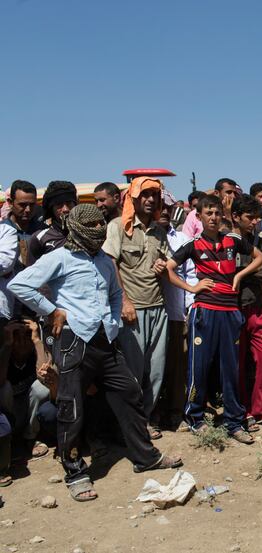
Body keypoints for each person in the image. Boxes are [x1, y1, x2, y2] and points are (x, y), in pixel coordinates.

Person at [9, 204, 182, 501]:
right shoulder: (60, 258)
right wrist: (53, 312)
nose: (99, 230)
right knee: (71, 407)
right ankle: (75, 471)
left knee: (129, 392)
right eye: (91, 226)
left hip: (105, 340)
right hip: (74, 341)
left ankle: (145, 456)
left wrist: (113, 323)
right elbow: (19, 284)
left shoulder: (103, 260)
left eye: (101, 224)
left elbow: (115, 293)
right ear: (76, 229)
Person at [165, 194, 262, 444]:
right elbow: (169, 268)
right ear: (198, 217)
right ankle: (195, 418)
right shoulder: (193, 244)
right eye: (207, 213)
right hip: (205, 310)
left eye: (217, 213)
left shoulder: (233, 240)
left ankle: (234, 421)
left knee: (230, 370)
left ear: (222, 216)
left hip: (230, 312)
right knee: (199, 366)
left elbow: (261, 258)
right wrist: (191, 288)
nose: (213, 217)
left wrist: (240, 275)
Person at [103, 177, 169, 435]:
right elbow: (111, 264)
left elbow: (167, 264)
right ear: (134, 198)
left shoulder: (159, 231)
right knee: (132, 371)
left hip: (158, 306)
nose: (151, 199)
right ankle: (130, 424)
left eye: (155, 194)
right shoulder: (118, 226)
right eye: (145, 194)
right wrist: (124, 301)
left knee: (156, 369)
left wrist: (163, 266)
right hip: (132, 310)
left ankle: (146, 419)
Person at [232, 194, 262, 430]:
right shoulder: (225, 240)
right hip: (233, 309)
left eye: (257, 218)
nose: (254, 222)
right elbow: (222, 273)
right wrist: (253, 270)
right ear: (235, 217)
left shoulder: (259, 241)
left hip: (256, 306)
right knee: (237, 364)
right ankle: (242, 411)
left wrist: (242, 272)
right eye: (249, 218)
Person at [156, 190, 194, 430]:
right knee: (152, 367)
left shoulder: (181, 240)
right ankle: (152, 414)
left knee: (177, 366)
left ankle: (175, 412)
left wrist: (190, 306)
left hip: (176, 312)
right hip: (148, 311)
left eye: (168, 207)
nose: (165, 211)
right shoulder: (142, 236)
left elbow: (191, 274)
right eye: (161, 206)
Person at [0, 319, 51, 459]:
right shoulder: (5, 353)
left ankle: (31, 438)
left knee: (41, 388)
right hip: (11, 412)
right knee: (5, 389)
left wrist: (36, 341)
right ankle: (8, 440)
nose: (22, 342)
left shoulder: (37, 351)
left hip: (31, 413)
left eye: (26, 336)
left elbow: (45, 378)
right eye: (17, 337)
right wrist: (7, 344)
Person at [28, 181, 77, 262]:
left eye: (69, 203)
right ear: (51, 209)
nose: (65, 209)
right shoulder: (40, 238)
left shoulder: (86, 234)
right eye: (59, 205)